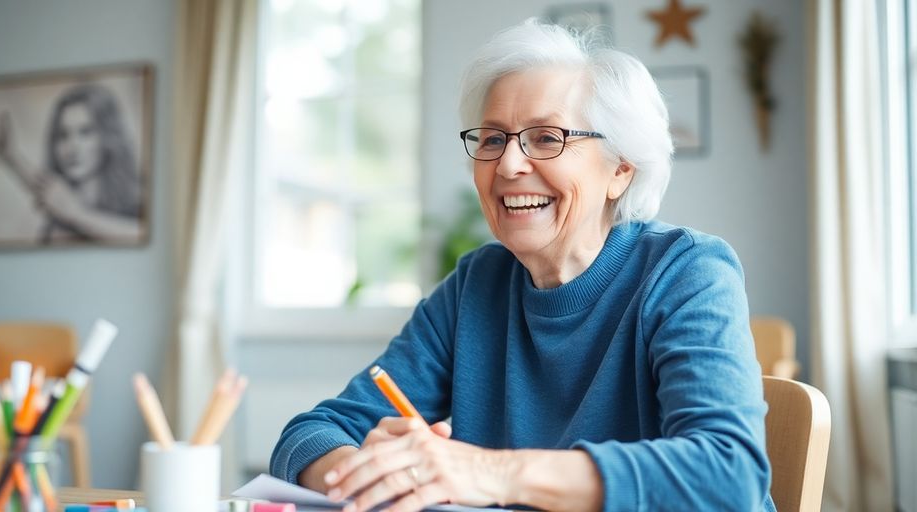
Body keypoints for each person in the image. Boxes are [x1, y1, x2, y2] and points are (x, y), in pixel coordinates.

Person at [270, 19, 773, 512]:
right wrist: (379, 473)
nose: (509, 166)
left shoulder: (687, 272)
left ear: (620, 169)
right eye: (492, 140)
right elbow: (309, 435)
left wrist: (489, 473)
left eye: (547, 138)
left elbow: (729, 476)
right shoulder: (476, 286)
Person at [0, 83, 143, 244]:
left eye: (85, 132)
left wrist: (77, 214)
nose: (72, 147)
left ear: (108, 136)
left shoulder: (135, 202)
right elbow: (46, 188)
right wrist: (10, 156)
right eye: (63, 135)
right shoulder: (61, 207)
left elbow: (141, 235)